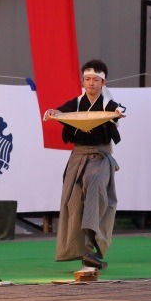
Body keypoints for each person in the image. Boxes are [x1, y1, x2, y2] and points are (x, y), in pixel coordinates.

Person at [45, 59, 124, 273]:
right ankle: (83, 251)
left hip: (100, 156)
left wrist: (117, 115)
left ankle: (94, 246)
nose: (91, 83)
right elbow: (60, 112)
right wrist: (52, 112)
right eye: (87, 79)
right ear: (83, 80)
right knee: (74, 201)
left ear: (103, 82)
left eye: (95, 80)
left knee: (96, 191)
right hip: (78, 156)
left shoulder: (109, 104)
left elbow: (118, 111)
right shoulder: (77, 102)